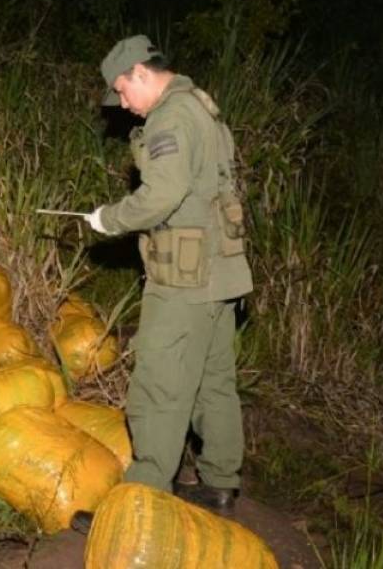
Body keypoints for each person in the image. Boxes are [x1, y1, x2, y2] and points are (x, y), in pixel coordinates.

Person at [85, 34, 254, 514]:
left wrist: (110, 218)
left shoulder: (172, 116)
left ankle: (141, 498)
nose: (122, 104)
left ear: (141, 72)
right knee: (211, 380)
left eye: (122, 90)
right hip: (220, 274)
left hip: (186, 277)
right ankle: (220, 484)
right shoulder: (202, 106)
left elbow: (163, 195)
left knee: (159, 382)